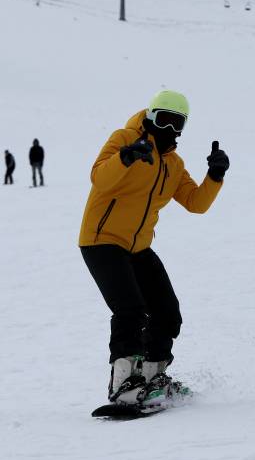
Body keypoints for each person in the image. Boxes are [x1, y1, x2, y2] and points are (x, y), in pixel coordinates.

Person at [78, 90, 229, 406]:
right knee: (130, 309)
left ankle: (151, 377)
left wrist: (215, 176)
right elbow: (99, 178)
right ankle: (123, 384)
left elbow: (195, 202)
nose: (170, 130)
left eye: (178, 124)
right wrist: (126, 157)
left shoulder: (172, 164)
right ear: (150, 116)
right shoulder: (123, 138)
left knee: (166, 310)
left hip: (138, 247)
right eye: (164, 120)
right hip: (101, 240)